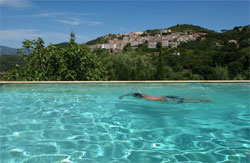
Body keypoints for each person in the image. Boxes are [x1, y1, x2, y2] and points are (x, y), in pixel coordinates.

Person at [119, 92, 212, 103]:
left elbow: (131, 94)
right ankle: (202, 100)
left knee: (185, 101)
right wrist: (123, 95)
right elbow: (131, 93)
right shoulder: (145, 95)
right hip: (166, 97)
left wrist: (123, 95)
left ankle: (203, 100)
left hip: (166, 99)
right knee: (185, 100)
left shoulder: (145, 98)